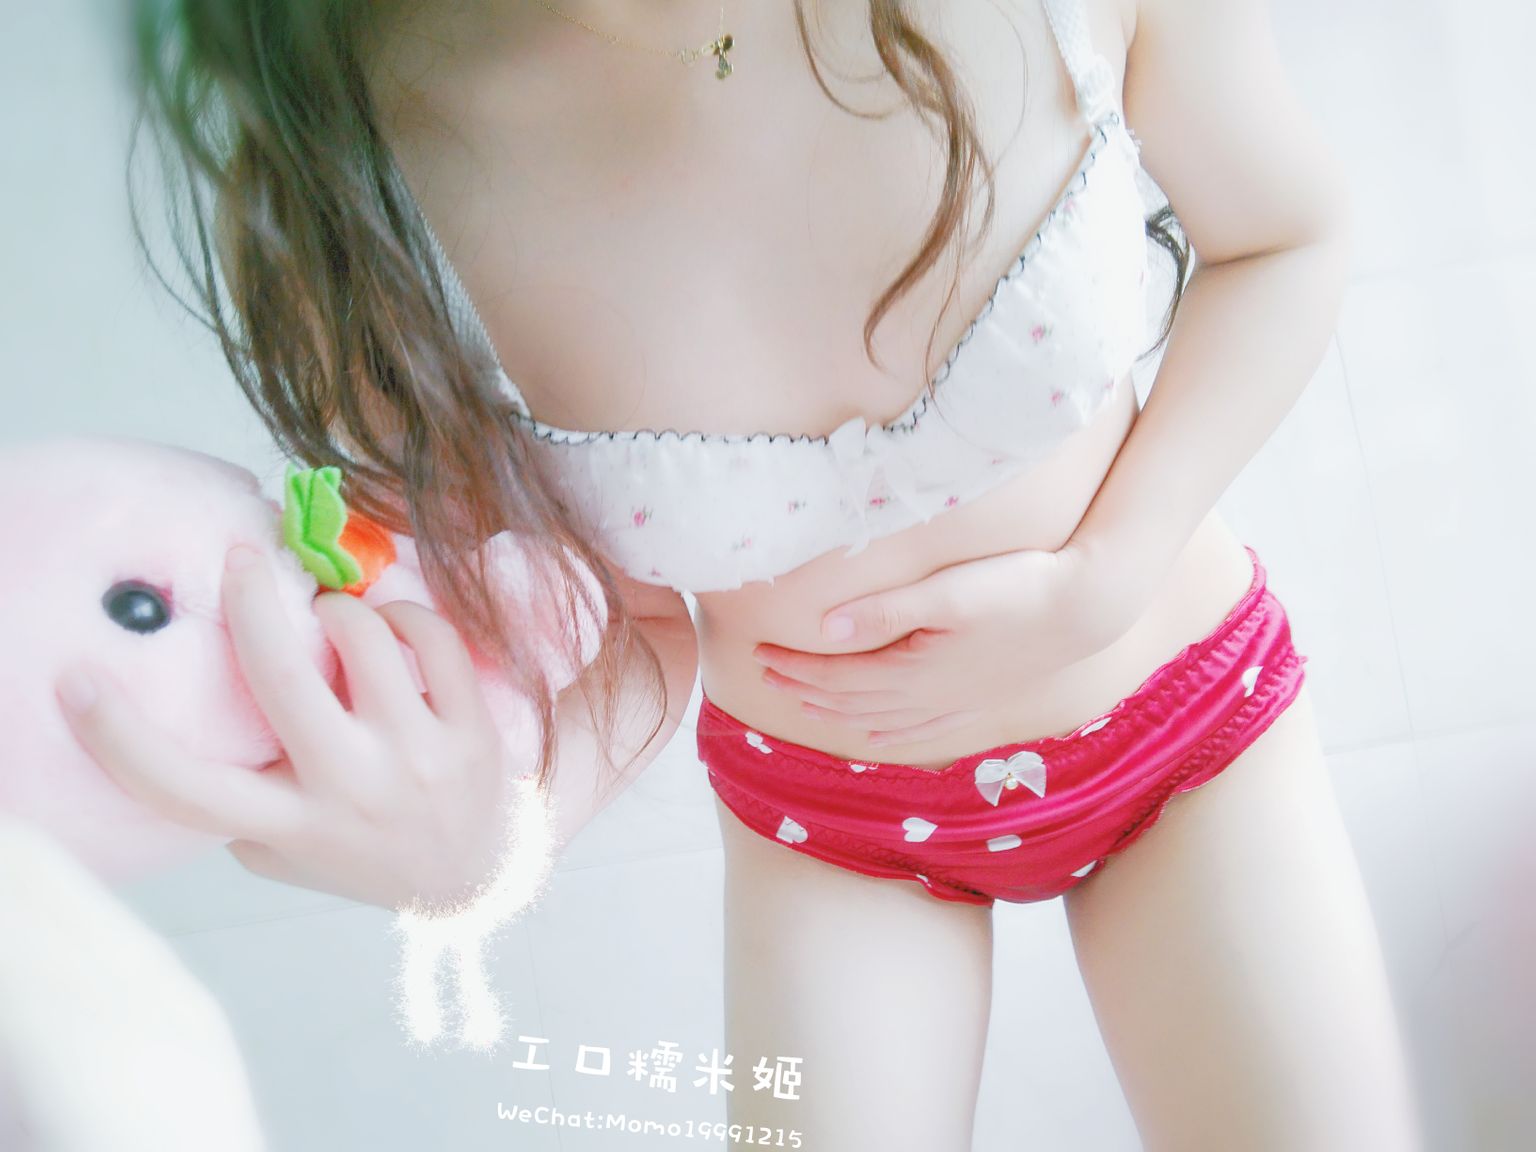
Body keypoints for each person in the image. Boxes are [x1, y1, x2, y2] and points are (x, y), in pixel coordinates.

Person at [63, 0, 1423, 1147]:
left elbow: (1282, 239)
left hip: (1184, 730)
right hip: (829, 827)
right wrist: (497, 846)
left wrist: (1107, 576)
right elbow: (628, 624)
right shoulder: (357, 160)